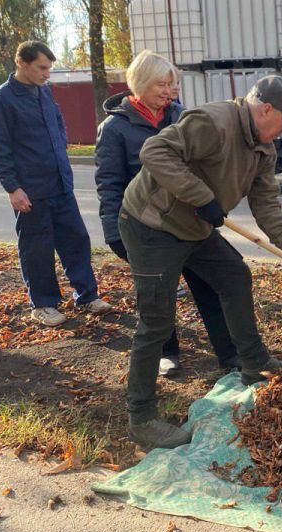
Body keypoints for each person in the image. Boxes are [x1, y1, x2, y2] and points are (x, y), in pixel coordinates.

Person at [119, 75, 282, 449]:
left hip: (194, 228)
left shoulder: (263, 147)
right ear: (266, 109)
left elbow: (264, 201)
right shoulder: (213, 122)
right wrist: (200, 195)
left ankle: (253, 363)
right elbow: (154, 152)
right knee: (157, 320)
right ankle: (141, 417)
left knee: (235, 277)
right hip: (152, 225)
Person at [94, 50, 238, 377]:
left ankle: (230, 355)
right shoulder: (115, 128)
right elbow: (109, 183)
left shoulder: (181, 116)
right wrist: (114, 232)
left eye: (171, 84)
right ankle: (167, 352)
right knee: (159, 296)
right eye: (161, 84)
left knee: (210, 287)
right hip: (148, 228)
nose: (169, 91)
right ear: (141, 83)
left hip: (190, 221)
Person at [0, 40, 112, 327]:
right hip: (31, 191)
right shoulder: (2, 99)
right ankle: (42, 304)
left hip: (60, 186)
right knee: (37, 248)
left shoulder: (43, 92)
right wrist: (13, 188)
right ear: (22, 63)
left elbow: (58, 126)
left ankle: (86, 295)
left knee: (76, 240)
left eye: (49, 69)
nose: (46, 74)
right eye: (42, 68)